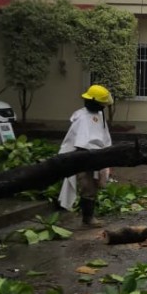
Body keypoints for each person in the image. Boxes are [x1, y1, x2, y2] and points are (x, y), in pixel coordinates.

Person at [57, 84, 113, 227]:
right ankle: (88, 218)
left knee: (94, 186)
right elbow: (80, 142)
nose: (104, 107)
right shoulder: (82, 118)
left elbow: (103, 137)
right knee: (87, 187)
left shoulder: (99, 116)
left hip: (95, 157)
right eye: (102, 104)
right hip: (83, 157)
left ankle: (89, 216)